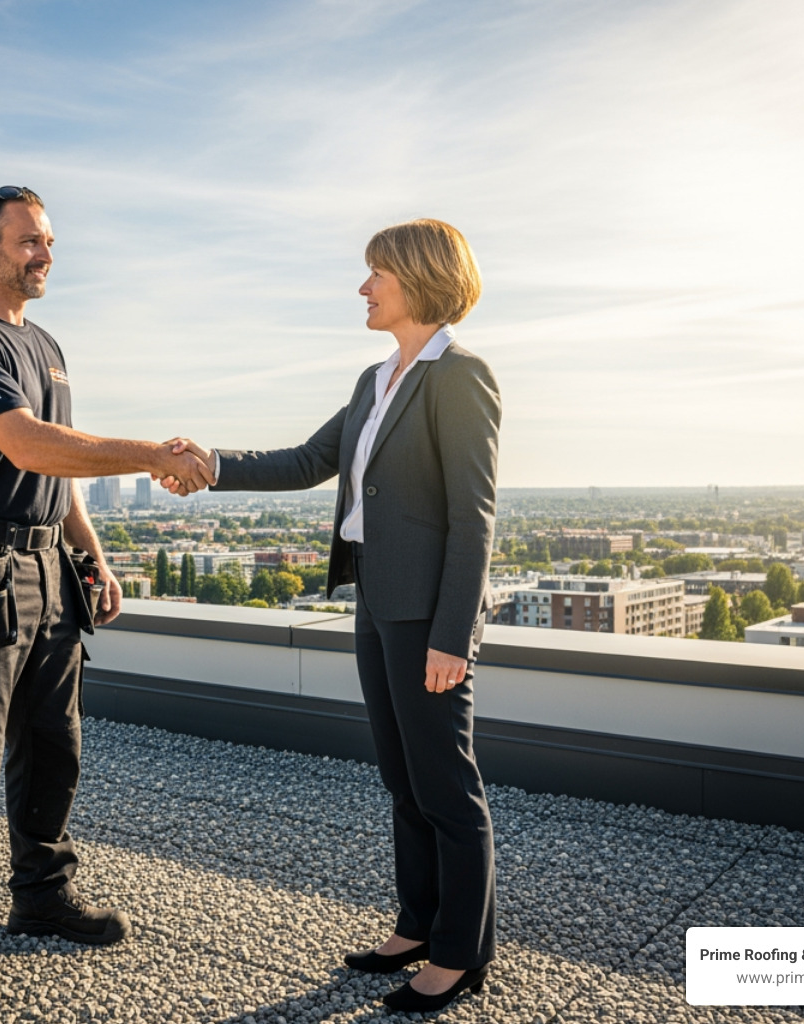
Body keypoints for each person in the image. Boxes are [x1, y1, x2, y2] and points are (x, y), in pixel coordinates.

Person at [0, 185, 215, 1011]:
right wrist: (154, 453)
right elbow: (26, 442)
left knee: (54, 744)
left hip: (48, 571)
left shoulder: (48, 346)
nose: (44, 254)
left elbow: (57, 467)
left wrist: (94, 560)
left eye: (49, 242)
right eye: (29, 241)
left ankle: (40, 894)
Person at [168, 219, 500, 1013]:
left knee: (446, 785)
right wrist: (210, 465)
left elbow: (474, 518)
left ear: (416, 277)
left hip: (427, 620)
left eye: (374, 273)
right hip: (376, 605)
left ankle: (461, 953)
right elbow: (309, 462)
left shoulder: (460, 375)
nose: (363, 288)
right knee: (402, 776)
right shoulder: (374, 379)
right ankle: (417, 924)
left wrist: (454, 636)